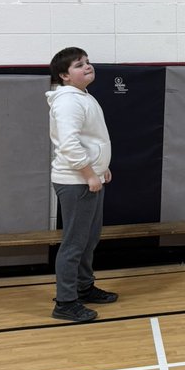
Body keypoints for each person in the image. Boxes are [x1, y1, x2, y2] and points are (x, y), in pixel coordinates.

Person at [47, 47, 117, 323]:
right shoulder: (67, 101)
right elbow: (69, 145)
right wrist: (89, 174)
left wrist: (101, 169)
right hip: (76, 182)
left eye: (87, 62)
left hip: (89, 178)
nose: (87, 67)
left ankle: (83, 287)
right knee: (74, 243)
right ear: (65, 76)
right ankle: (65, 302)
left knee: (89, 239)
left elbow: (90, 140)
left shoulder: (82, 96)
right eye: (79, 65)